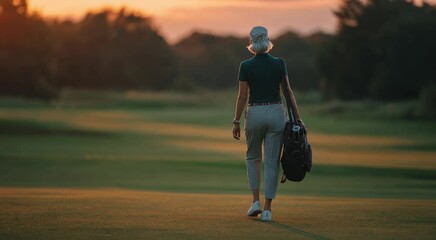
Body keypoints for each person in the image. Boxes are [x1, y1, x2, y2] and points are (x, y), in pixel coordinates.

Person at [232, 26, 305, 222]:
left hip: (255, 112)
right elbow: (288, 92)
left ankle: (255, 201)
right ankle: (267, 210)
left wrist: (236, 121)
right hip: (275, 112)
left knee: (252, 158)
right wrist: (297, 118)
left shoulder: (245, 65)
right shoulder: (279, 63)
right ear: (267, 40)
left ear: (252, 41)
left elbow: (242, 97)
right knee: (272, 163)